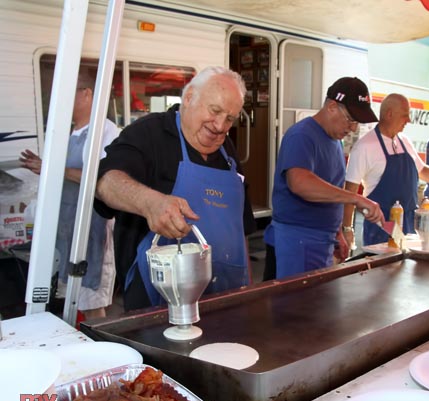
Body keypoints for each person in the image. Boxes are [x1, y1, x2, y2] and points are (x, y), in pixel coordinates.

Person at [94, 66, 256, 311]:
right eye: (215, 111)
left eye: (230, 119)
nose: (220, 126)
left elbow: (241, 228)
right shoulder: (148, 134)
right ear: (189, 98)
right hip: (158, 298)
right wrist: (150, 202)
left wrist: (248, 290)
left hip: (227, 293)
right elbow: (105, 181)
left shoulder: (227, 150)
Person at [20, 69, 119, 319]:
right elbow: (65, 175)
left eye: (67, 93)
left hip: (91, 232)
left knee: (92, 303)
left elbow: (103, 180)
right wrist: (44, 168)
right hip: (68, 232)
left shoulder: (105, 132)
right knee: (73, 301)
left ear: (86, 94)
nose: (60, 100)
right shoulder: (70, 133)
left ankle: (99, 341)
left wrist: (53, 168)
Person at [263, 77, 384, 280]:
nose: (353, 129)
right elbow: (299, 182)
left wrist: (337, 232)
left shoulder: (335, 142)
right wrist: (355, 198)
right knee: (294, 300)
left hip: (322, 242)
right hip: (296, 243)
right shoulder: (301, 136)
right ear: (331, 107)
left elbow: (330, 190)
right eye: (351, 119)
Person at [343, 93, 429, 248]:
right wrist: (347, 229)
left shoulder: (404, 141)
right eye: (405, 115)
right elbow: (349, 192)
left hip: (410, 227)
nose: (408, 120)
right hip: (382, 229)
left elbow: (423, 170)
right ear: (389, 114)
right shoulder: (364, 147)